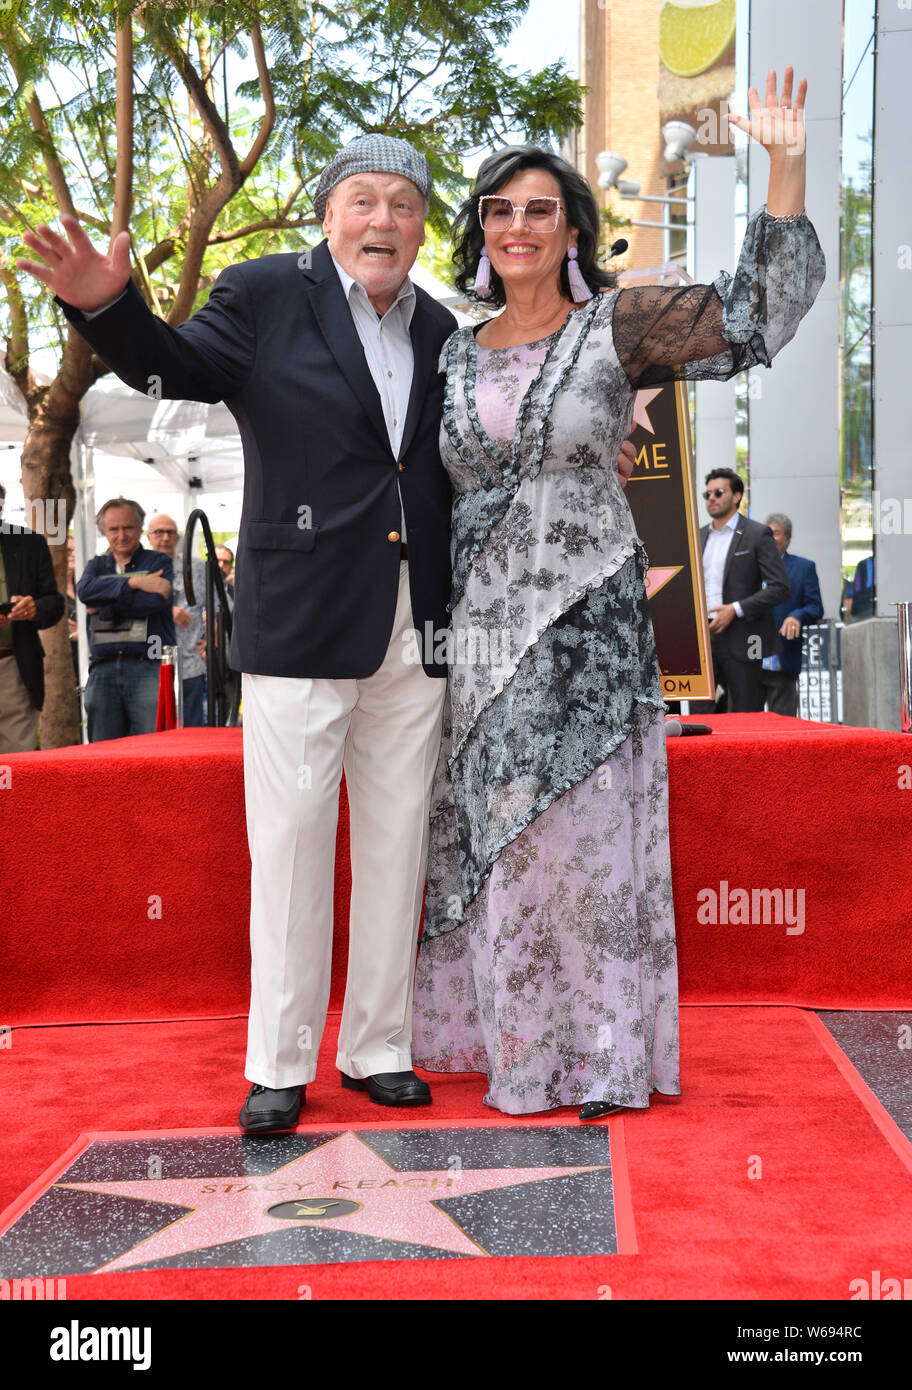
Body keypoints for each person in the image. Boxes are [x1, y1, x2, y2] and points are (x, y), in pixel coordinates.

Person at [412, 68, 825, 1120]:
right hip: (485, 638)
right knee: (506, 841)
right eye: (499, 210)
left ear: (571, 229)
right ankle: (515, 1047)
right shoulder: (450, 352)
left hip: (592, 632)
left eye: (538, 210)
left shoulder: (621, 325)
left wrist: (786, 163)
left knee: (589, 843)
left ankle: (599, 1057)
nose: (517, 227)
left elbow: (754, 317)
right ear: (480, 231)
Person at [75, 498, 175, 741]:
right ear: (104, 532)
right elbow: (85, 593)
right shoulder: (96, 565)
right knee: (104, 755)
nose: (121, 535)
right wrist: (135, 582)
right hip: (103, 668)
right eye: (113, 529)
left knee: (155, 749)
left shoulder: (158, 561)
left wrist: (104, 608)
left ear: (140, 527)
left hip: (149, 666)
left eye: (128, 527)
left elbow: (154, 602)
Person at [694, 467, 790, 712]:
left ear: (737, 496)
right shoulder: (698, 536)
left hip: (747, 637)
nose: (711, 498)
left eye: (718, 492)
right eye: (707, 495)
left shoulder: (757, 534)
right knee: (700, 716)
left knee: (746, 715)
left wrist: (735, 610)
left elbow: (780, 587)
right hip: (703, 638)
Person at [0, 483, 65, 753]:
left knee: (16, 765)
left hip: (12, 666)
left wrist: (34, 608)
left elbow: (54, 602)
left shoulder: (28, 542)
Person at [759, 512, 824, 716]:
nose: (769, 537)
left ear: (787, 539)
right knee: (744, 727)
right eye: (766, 533)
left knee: (784, 727)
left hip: (783, 657)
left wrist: (797, 615)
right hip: (749, 660)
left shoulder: (804, 568)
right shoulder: (749, 566)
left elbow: (815, 607)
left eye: (775, 533)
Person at [147, 513, 207, 726]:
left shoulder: (197, 567)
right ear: (148, 537)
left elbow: (221, 605)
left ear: (178, 537)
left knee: (192, 733)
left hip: (190, 664)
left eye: (170, 532)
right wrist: (167, 610)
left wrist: (211, 638)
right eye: (158, 532)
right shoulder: (138, 568)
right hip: (149, 668)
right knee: (153, 735)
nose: (164, 537)